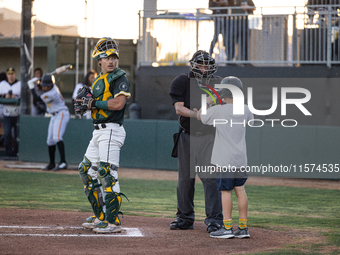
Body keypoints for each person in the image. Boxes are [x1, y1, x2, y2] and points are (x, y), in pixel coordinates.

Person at [75, 37, 131, 234]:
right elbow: (92, 105)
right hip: (98, 131)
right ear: (99, 60)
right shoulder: (99, 80)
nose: (111, 61)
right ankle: (100, 215)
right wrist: (89, 104)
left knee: (107, 174)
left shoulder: (119, 78)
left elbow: (118, 104)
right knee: (86, 170)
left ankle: (113, 221)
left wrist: (93, 104)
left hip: (112, 130)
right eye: (107, 57)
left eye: (114, 57)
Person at [169, 50, 223, 233]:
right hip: (187, 135)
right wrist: (198, 115)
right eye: (201, 64)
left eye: (207, 64)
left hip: (210, 136)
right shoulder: (181, 81)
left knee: (210, 178)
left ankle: (215, 220)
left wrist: (206, 109)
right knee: (185, 179)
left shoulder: (217, 82)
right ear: (192, 65)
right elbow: (179, 109)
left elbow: (220, 105)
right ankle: (184, 218)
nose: (204, 68)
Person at [197, 76, 253, 238]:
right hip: (241, 158)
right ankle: (243, 228)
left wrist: (208, 101)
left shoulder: (218, 110)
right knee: (240, 190)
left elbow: (201, 116)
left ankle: (227, 228)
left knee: (225, 192)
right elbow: (250, 120)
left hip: (224, 159)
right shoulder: (245, 109)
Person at [27, 73, 70, 170]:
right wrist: (37, 81)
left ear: (51, 85)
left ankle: (63, 162)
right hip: (54, 115)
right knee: (50, 140)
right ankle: (51, 163)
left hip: (61, 114)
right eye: (44, 85)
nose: (45, 87)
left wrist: (31, 86)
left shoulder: (53, 93)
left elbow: (37, 98)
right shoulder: (50, 87)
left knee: (57, 137)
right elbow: (43, 86)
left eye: (47, 86)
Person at [0, 67, 21, 158]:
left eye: (12, 74)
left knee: (17, 135)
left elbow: (24, 98)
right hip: (7, 113)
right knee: (7, 134)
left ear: (15, 74)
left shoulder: (19, 84)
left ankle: (16, 153)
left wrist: (15, 96)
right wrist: (5, 96)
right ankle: (8, 153)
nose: (11, 76)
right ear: (7, 75)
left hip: (17, 113)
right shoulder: (2, 84)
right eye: (9, 74)